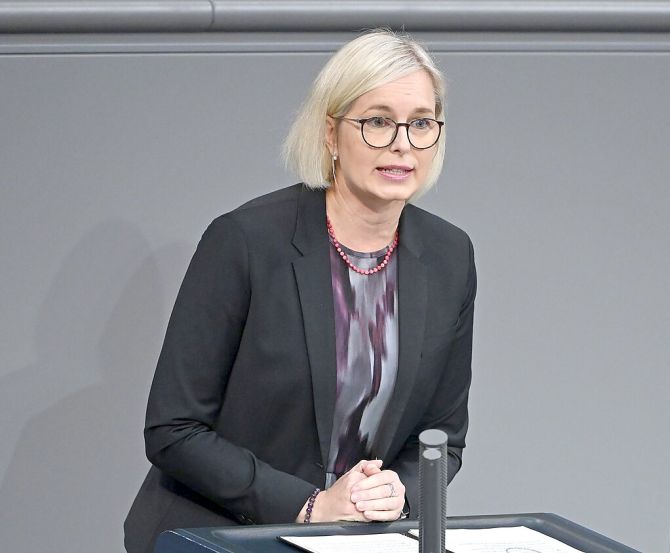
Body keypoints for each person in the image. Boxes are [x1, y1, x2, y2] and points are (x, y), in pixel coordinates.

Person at [124, 29, 476, 553]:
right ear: (331, 133)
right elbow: (174, 429)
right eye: (378, 121)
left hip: (355, 541)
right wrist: (309, 506)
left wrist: (395, 496)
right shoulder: (245, 240)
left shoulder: (450, 255)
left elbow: (441, 440)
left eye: (421, 123)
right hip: (218, 533)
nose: (402, 142)